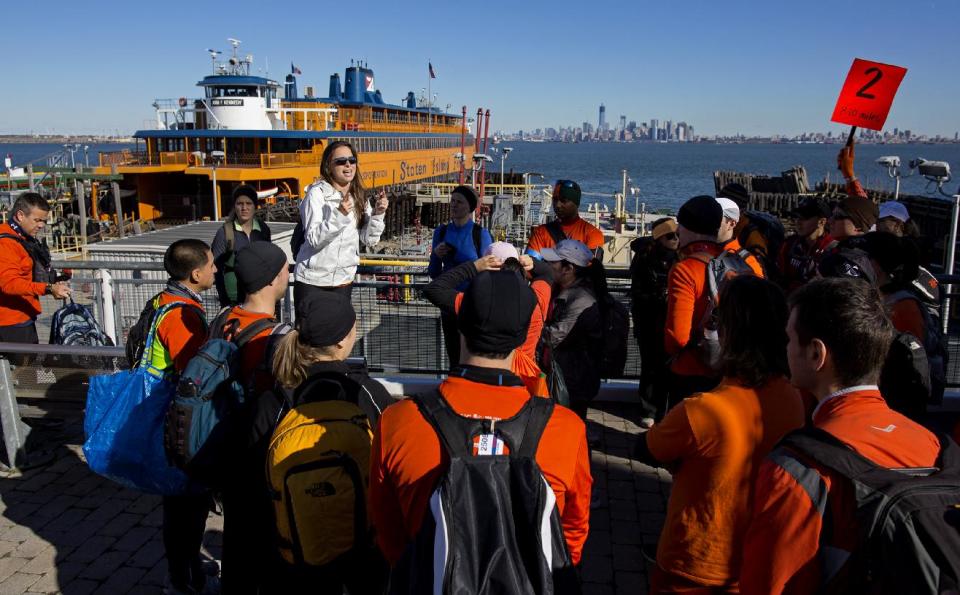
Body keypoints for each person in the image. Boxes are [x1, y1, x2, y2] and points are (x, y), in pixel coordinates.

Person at [369, 269, 592, 569]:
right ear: (524, 334)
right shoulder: (565, 428)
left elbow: (388, 532)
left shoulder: (398, 422)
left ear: (461, 324)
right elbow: (573, 533)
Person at [740, 278, 941, 595]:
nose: (785, 348)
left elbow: (769, 585)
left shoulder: (797, 468)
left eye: (790, 339)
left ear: (816, 354)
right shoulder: (934, 444)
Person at [634, 276, 805, 593]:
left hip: (695, 565)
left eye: (716, 317)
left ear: (728, 333)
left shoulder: (702, 411)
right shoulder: (794, 398)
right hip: (755, 561)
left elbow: (646, 448)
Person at [249, 292, 393, 594]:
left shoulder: (273, 401)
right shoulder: (369, 395)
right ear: (343, 340)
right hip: (362, 554)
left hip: (294, 555)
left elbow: (256, 482)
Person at [217, 241, 289, 595]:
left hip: (223, 440)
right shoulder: (277, 337)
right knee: (266, 534)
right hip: (259, 448)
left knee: (236, 532)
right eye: (285, 269)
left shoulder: (222, 318)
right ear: (274, 278)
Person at [151, 239, 217, 595]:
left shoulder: (163, 302)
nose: (216, 270)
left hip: (164, 414)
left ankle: (187, 564)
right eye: (211, 265)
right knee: (185, 506)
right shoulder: (182, 316)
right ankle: (182, 577)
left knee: (180, 505)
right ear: (196, 273)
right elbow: (195, 374)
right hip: (178, 423)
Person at [422, 241, 554, 396]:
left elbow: (434, 290)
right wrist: (534, 263)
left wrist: (473, 267)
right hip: (524, 380)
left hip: (479, 381)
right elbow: (547, 274)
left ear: (488, 266)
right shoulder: (537, 299)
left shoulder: (475, 303)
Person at [293, 140, 389, 303]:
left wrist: (378, 214)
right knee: (312, 329)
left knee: (341, 328)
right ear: (328, 166)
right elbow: (314, 240)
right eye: (340, 161)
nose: (348, 165)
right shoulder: (316, 195)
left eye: (352, 161)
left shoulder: (358, 196)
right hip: (313, 281)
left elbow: (369, 239)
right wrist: (340, 214)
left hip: (343, 280)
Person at [664, 195, 726, 403]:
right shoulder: (737, 264)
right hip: (727, 371)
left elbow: (678, 336)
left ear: (690, 229)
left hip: (690, 370)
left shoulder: (685, 270)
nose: (678, 231)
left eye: (681, 225)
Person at [539, 239, 606, 422]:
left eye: (552, 262)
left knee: (568, 421)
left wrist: (530, 327)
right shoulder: (562, 291)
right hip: (565, 371)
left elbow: (554, 336)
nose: (547, 266)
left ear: (568, 269)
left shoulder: (581, 300)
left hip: (573, 377)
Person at [0, 192, 70, 362]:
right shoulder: (6, 243)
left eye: (44, 221)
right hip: (11, 322)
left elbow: (29, 272)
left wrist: (57, 278)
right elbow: (9, 283)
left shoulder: (20, 237)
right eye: (37, 220)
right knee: (24, 375)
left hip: (20, 317)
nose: (41, 225)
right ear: (20, 215)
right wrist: (47, 288)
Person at [428, 185, 493, 366]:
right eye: (452, 201)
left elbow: (488, 269)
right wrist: (436, 255)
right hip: (449, 303)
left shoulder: (480, 234)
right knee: (454, 355)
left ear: (469, 207)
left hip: (472, 303)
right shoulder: (440, 232)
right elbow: (434, 273)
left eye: (459, 202)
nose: (454, 205)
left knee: (474, 355)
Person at [629, 217, 679, 428]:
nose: (675, 239)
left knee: (669, 366)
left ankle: (664, 410)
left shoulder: (681, 257)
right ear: (659, 238)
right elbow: (637, 291)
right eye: (670, 236)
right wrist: (658, 295)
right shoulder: (645, 258)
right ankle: (649, 408)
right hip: (648, 319)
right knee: (650, 364)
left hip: (669, 319)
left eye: (677, 235)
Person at [211, 184, 272, 307]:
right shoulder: (225, 233)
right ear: (234, 206)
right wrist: (225, 300)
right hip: (233, 300)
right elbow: (215, 269)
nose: (244, 208)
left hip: (260, 297)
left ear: (255, 206)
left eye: (248, 203)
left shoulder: (263, 230)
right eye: (240, 204)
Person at [526, 179, 605, 260]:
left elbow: (591, 269)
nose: (558, 205)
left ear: (576, 203)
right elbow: (530, 265)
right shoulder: (541, 232)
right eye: (555, 200)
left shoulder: (592, 234)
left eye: (564, 200)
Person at [777, 197, 833, 294]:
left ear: (822, 222)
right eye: (796, 217)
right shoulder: (789, 245)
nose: (798, 222)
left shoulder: (833, 250)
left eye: (804, 218)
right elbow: (780, 276)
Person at [715, 197, 765, 277]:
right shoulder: (700, 249)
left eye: (716, 218)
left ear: (732, 223)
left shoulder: (748, 263)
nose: (709, 222)